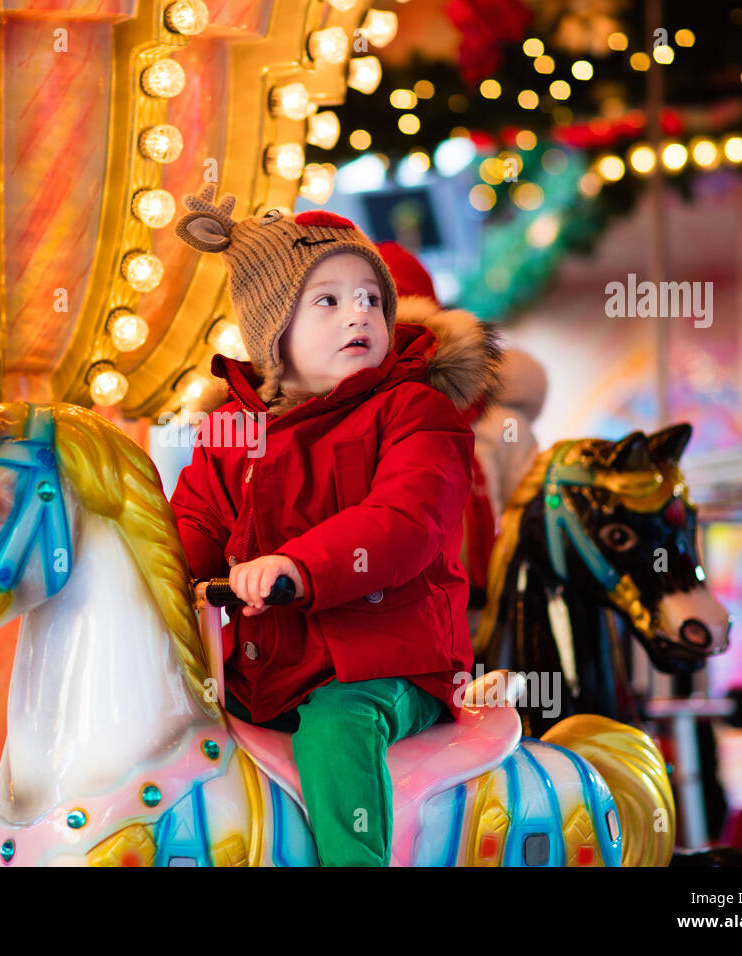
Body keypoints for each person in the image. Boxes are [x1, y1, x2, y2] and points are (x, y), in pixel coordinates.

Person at [168, 184, 498, 866]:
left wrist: (297, 567)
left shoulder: (414, 411)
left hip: (386, 662)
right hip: (265, 668)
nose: (360, 313)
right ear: (273, 334)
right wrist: (151, 577)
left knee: (335, 728)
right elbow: (193, 523)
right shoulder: (230, 432)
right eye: (329, 300)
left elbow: (404, 521)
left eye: (371, 299)